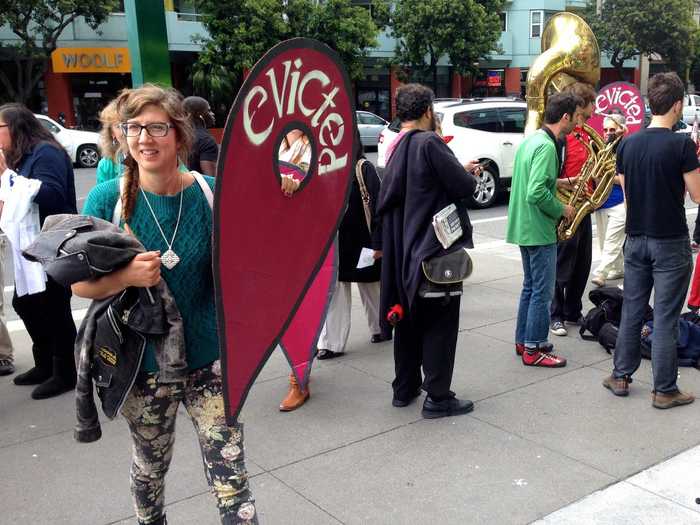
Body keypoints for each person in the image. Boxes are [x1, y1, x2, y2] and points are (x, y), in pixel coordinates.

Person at [75, 85, 258, 524]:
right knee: (150, 471)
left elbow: (254, 256)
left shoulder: (213, 194)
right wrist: (125, 277)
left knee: (232, 480)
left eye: (157, 127)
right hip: (143, 368)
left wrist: (286, 190)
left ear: (178, 135)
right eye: (133, 127)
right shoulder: (108, 200)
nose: (144, 138)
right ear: (120, 136)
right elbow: (79, 285)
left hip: (211, 361)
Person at [378, 83, 481, 419]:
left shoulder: (396, 146)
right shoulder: (430, 142)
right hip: (432, 251)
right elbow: (464, 188)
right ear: (427, 112)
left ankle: (404, 388)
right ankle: (437, 396)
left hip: (403, 251)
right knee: (440, 322)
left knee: (408, 319)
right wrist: (466, 171)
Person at [603, 72, 700, 409]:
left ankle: (620, 375)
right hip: (670, 241)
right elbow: (697, 195)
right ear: (677, 105)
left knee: (632, 308)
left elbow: (628, 194)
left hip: (636, 237)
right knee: (665, 315)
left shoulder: (628, 142)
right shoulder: (682, 145)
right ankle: (665, 389)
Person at [0, 103, 78, 398]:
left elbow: (53, 196)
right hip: (33, 247)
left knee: (54, 307)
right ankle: (44, 363)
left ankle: (65, 372)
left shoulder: (46, 153)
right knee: (26, 303)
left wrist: (9, 176)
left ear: (15, 127)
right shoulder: (24, 155)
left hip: (53, 243)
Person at [506, 91, 578, 368]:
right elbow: (536, 192)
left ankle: (524, 340)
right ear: (564, 117)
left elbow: (530, 181)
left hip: (523, 225)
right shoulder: (548, 147)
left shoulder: (533, 139)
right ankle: (534, 349)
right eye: (573, 120)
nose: (573, 126)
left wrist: (559, 183)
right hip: (538, 227)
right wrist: (564, 210)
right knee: (543, 292)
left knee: (530, 287)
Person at [549, 82, 597, 337]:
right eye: (586, 115)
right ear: (576, 110)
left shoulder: (586, 133)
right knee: (562, 262)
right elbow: (549, 178)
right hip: (565, 207)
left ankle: (571, 309)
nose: (588, 120)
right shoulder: (560, 137)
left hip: (584, 204)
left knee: (582, 261)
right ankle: (554, 313)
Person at [591, 114, 627, 287]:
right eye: (605, 129)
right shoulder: (599, 148)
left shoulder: (626, 148)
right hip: (603, 201)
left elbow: (626, 179)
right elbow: (596, 179)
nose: (607, 133)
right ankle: (618, 269)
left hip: (621, 202)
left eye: (612, 129)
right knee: (606, 241)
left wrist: (607, 175)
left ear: (621, 129)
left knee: (612, 240)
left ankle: (601, 273)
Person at [183, 96, 219, 176]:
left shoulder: (177, 135)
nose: (212, 114)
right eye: (209, 111)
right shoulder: (206, 140)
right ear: (199, 115)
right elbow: (211, 180)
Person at [95, 99, 125, 184]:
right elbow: (103, 196)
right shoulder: (106, 165)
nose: (126, 130)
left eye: (129, 124)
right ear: (112, 133)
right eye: (119, 126)